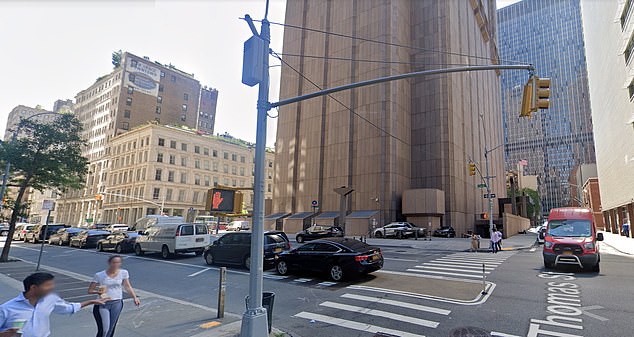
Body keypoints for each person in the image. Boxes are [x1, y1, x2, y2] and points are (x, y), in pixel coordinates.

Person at [0, 272, 107, 337]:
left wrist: (91, 302)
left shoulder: (50, 299)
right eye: (48, 285)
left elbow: (68, 308)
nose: (52, 288)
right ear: (33, 288)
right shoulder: (7, 309)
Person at [88, 255, 140, 337]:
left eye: (118, 262)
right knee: (105, 329)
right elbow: (90, 290)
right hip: (103, 303)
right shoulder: (99, 275)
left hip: (117, 302)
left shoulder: (124, 273)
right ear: (109, 263)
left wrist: (135, 297)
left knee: (111, 328)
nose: (116, 264)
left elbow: (127, 286)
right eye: (114, 262)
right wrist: (98, 292)